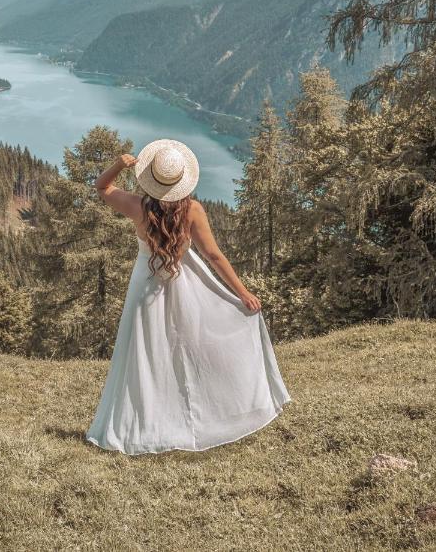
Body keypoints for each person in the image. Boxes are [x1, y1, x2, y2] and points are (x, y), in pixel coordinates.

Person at [85, 138, 292, 455]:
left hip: (145, 286)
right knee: (193, 347)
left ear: (150, 179)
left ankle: (144, 422)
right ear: (182, 182)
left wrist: (118, 165)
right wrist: (243, 293)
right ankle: (208, 409)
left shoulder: (137, 207)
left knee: (145, 354)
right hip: (185, 284)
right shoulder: (192, 210)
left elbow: (101, 187)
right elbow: (214, 256)